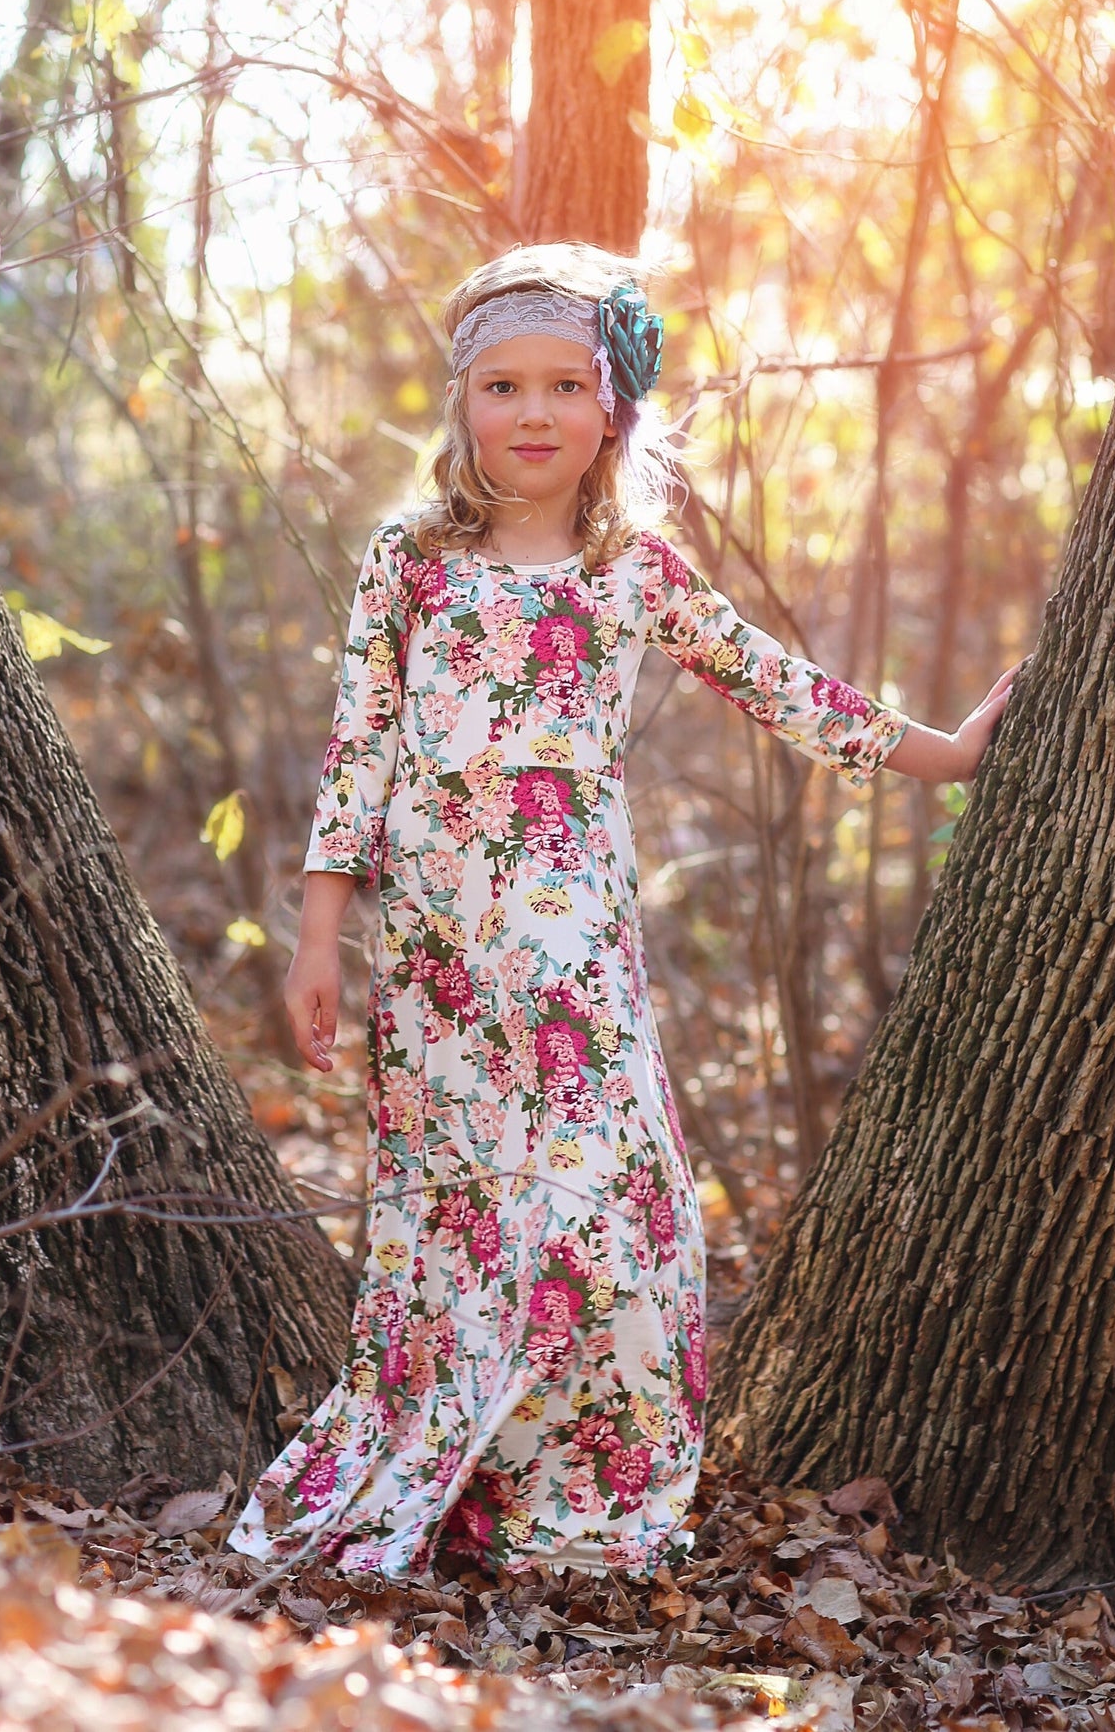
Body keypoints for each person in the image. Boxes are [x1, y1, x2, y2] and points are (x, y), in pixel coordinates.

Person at [229, 241, 1014, 1580]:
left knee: (595, 1185)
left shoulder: (630, 568)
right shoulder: (408, 558)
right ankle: (458, 1453)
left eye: (559, 385)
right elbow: (355, 747)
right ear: (460, 403)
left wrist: (934, 751)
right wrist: (318, 929)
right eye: (498, 386)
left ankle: (588, 1467)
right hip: (434, 929)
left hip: (570, 915)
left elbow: (773, 682)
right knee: (459, 1192)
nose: (528, 414)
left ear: (610, 410)